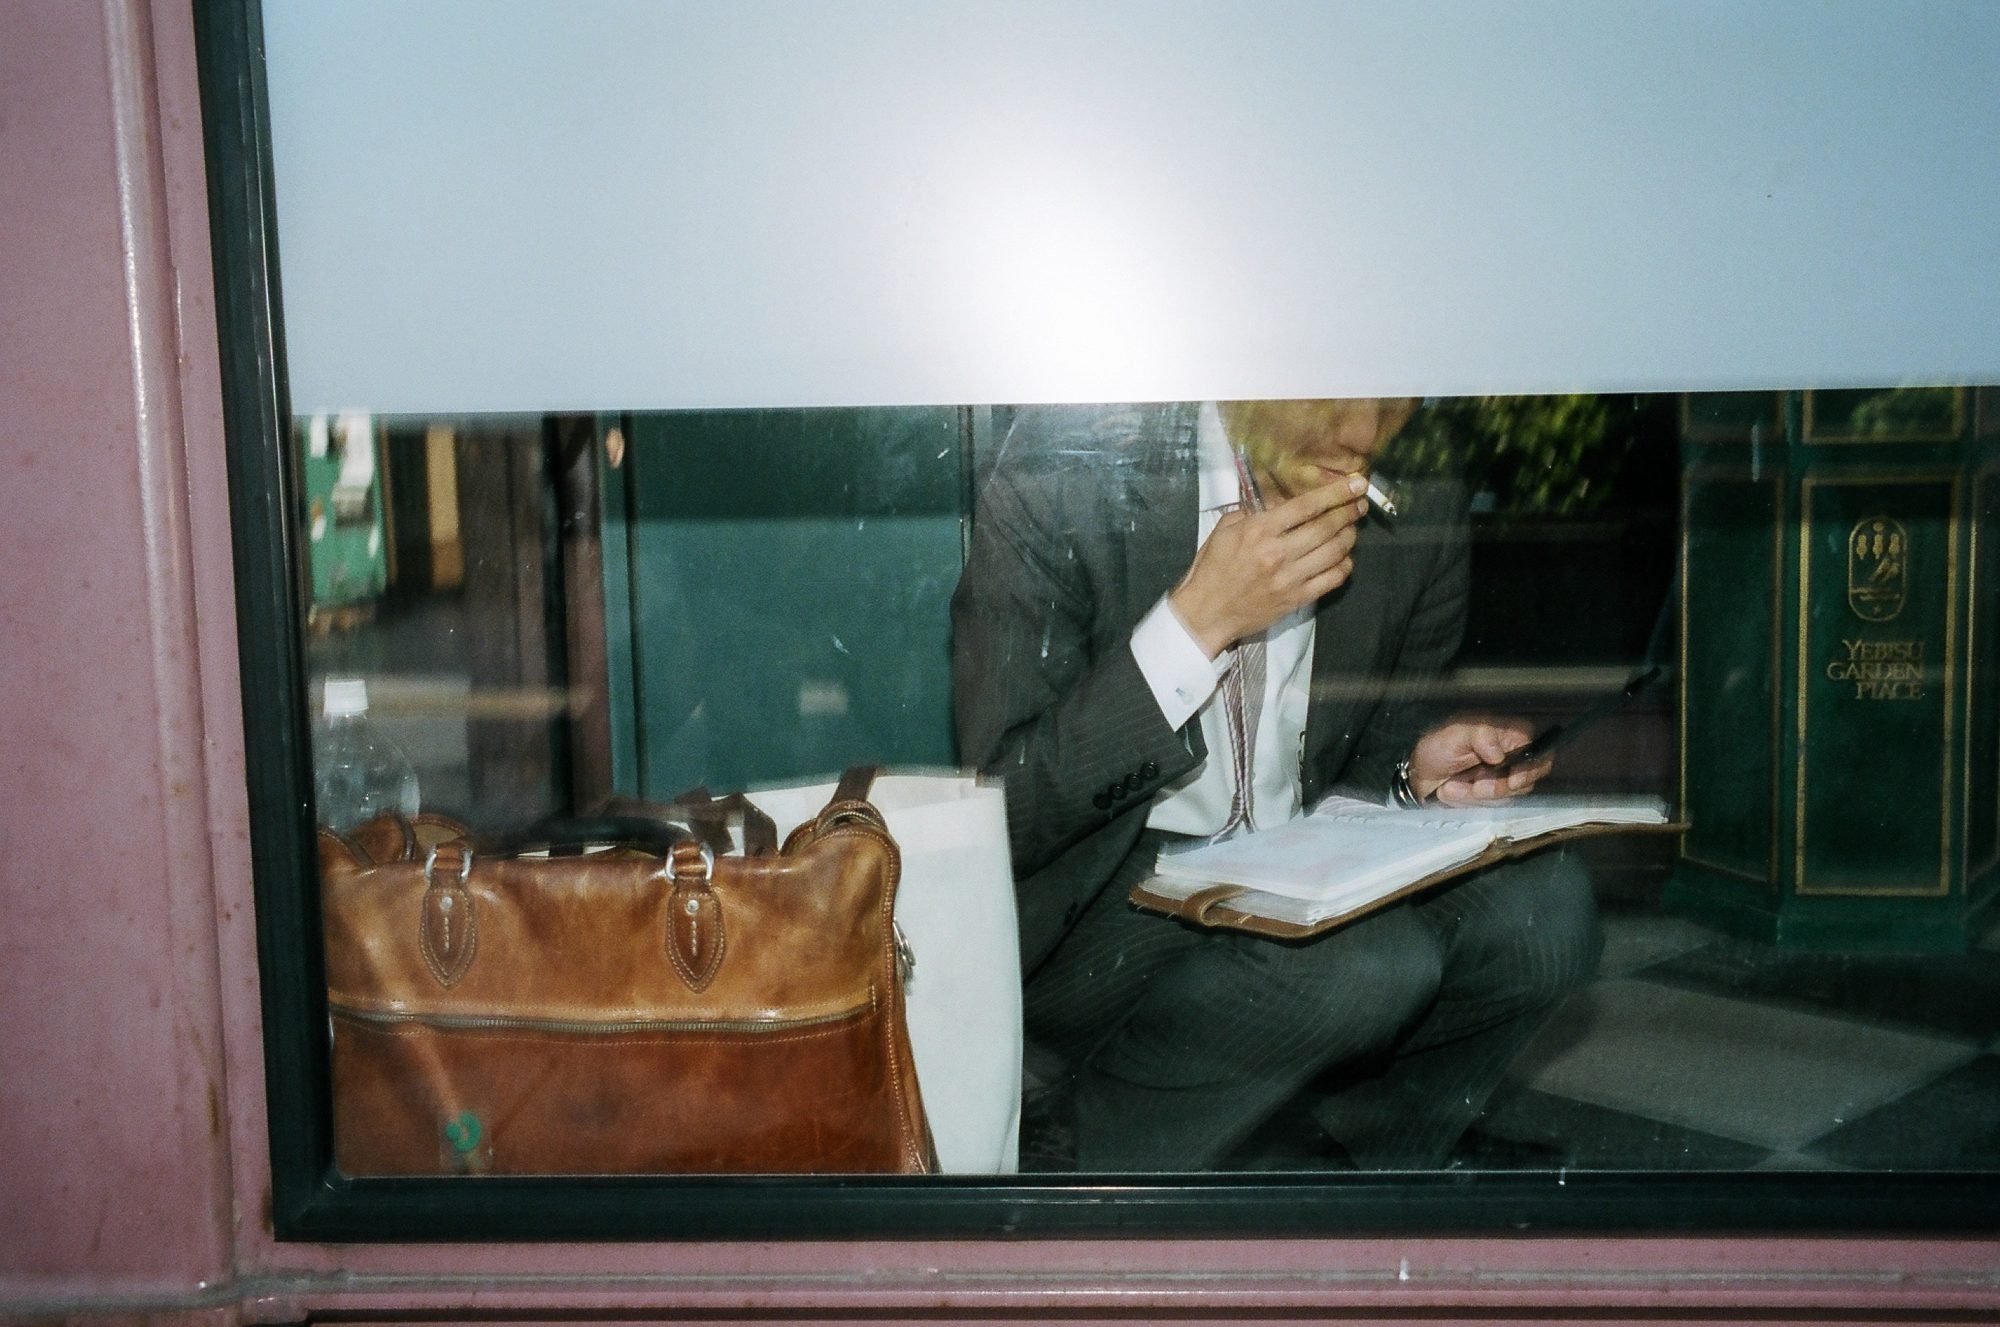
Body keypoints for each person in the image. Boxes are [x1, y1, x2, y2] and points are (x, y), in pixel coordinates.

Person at [949, 399, 1600, 1171]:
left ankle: (1356, 1166)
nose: (1363, 433)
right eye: (1332, 392)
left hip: (1290, 868)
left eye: (1394, 403)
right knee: (1366, 962)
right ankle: (1086, 1154)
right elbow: (1004, 809)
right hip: (1102, 910)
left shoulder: (1417, 493)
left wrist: (1411, 776)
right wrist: (1193, 626)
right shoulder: (1071, 465)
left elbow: (1368, 760)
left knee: (1547, 913)